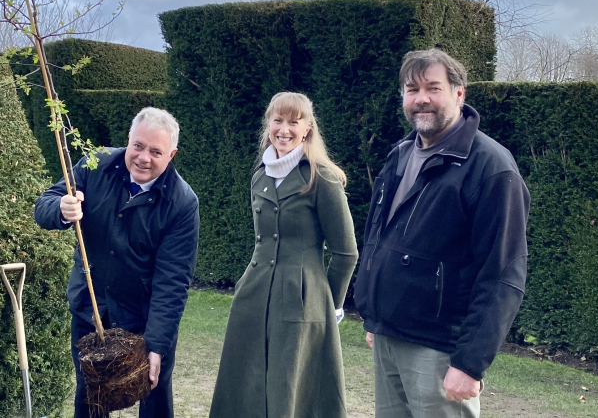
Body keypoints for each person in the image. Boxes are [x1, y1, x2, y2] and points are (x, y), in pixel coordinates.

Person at [353, 49, 530, 418]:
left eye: (433, 88)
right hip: (388, 337)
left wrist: (469, 362)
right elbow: (377, 238)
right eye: (411, 89)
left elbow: (502, 274)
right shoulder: (399, 155)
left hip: (439, 350)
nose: (421, 99)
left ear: (459, 93)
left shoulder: (491, 167)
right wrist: (374, 314)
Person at [34, 107, 200, 418]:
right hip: (92, 309)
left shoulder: (182, 203)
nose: (143, 158)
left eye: (156, 151)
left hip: (145, 318)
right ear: (128, 139)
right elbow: (43, 206)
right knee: (90, 398)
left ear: (172, 154)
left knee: (154, 395)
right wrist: (61, 207)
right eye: (137, 146)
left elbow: (173, 280)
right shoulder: (95, 165)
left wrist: (157, 345)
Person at [209, 92, 359, 418]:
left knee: (288, 390)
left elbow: (346, 253)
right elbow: (262, 243)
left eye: (294, 121)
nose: (285, 129)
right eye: (278, 120)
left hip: (302, 304)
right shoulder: (259, 177)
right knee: (244, 386)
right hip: (253, 297)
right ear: (268, 125)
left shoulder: (323, 178)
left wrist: (328, 305)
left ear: (307, 128)